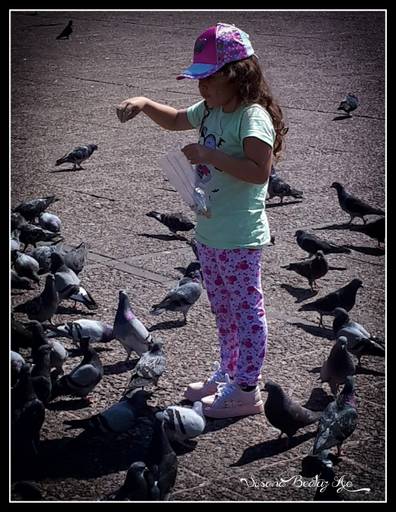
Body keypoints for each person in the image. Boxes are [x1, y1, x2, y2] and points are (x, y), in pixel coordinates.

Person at [116, 22, 287, 418]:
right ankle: (228, 372)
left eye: (208, 78)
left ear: (236, 75)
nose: (201, 87)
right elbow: (177, 118)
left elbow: (260, 171)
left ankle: (246, 388)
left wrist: (210, 156)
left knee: (247, 312)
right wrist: (143, 103)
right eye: (199, 78)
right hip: (210, 230)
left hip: (240, 235)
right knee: (223, 310)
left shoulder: (251, 116)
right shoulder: (211, 108)